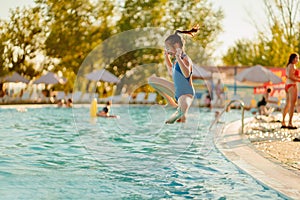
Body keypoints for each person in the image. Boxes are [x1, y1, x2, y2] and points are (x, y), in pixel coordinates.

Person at [162, 26, 199, 123]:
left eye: (168, 48)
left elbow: (186, 74)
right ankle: (180, 121)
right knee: (182, 118)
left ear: (177, 45)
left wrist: (178, 57)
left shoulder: (185, 58)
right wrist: (166, 57)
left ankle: (180, 120)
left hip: (186, 93)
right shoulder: (176, 61)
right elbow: (171, 72)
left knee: (182, 113)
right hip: (179, 93)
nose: (168, 50)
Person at [281, 53, 300, 129]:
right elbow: (291, 76)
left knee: (288, 104)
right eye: (296, 58)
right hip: (292, 85)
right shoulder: (292, 66)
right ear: (293, 58)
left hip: (287, 85)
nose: (297, 60)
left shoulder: (289, 66)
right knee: (292, 104)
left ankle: (283, 121)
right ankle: (290, 123)